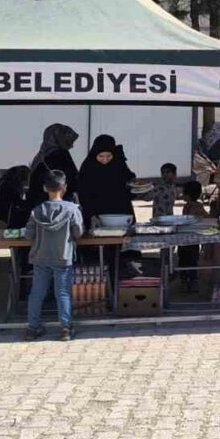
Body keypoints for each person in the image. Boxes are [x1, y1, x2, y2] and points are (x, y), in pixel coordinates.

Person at [23, 170, 83, 342]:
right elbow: (78, 232)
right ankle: (65, 328)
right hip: (63, 256)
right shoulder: (72, 209)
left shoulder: (36, 211)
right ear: (64, 188)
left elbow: (29, 235)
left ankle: (32, 328)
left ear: (44, 188)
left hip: (40, 257)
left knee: (36, 293)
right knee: (62, 293)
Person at [77, 134, 135, 227]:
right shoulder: (88, 168)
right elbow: (83, 194)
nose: (105, 160)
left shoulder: (118, 163)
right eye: (101, 156)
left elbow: (129, 181)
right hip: (97, 215)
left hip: (121, 213)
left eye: (109, 156)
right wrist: (91, 215)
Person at [28, 124, 79, 209]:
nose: (71, 146)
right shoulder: (61, 154)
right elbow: (73, 179)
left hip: (39, 205)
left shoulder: (40, 157)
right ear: (60, 139)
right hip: (58, 205)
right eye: (68, 141)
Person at [176, 181, 207, 292]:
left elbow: (204, 217)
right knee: (186, 260)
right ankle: (186, 281)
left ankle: (191, 281)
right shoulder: (188, 206)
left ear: (187, 194)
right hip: (186, 239)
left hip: (191, 239)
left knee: (190, 261)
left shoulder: (196, 206)